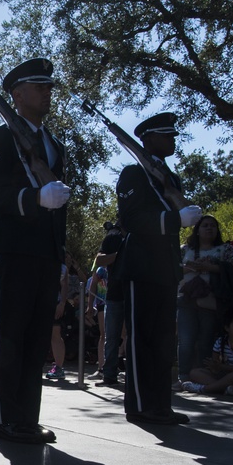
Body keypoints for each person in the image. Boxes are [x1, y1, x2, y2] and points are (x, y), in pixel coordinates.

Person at [0, 57, 71, 443]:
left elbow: (59, 202)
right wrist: (33, 198)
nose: (48, 91)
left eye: (49, 86)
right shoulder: (0, 139)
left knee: (36, 337)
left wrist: (61, 254)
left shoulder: (54, 145)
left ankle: (27, 417)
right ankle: (4, 417)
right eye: (40, 86)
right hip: (14, 248)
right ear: (17, 94)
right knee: (12, 332)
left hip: (45, 251)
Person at [114, 112, 202, 425]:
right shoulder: (134, 175)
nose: (172, 140)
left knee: (164, 340)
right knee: (142, 339)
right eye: (166, 136)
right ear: (149, 139)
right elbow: (133, 221)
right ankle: (139, 404)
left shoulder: (169, 178)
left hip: (166, 267)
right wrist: (176, 220)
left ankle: (161, 404)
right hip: (141, 266)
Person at [174, 214, 233, 389]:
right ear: (197, 230)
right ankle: (182, 376)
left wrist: (210, 267)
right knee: (186, 340)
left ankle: (202, 375)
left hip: (210, 301)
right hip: (186, 299)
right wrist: (190, 266)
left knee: (206, 339)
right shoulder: (184, 249)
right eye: (205, 225)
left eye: (213, 225)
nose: (209, 228)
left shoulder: (225, 249)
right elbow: (171, 268)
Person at [182, 309, 233, 396]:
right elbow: (216, 364)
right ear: (227, 328)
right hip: (225, 375)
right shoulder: (220, 342)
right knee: (195, 372)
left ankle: (203, 389)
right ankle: (227, 389)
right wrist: (215, 367)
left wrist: (222, 367)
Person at [94, 221, 125, 385]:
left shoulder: (144, 235)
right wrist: (121, 254)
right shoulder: (113, 237)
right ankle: (109, 375)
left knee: (138, 337)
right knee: (111, 336)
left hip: (139, 294)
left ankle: (138, 377)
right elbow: (99, 260)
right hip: (114, 294)